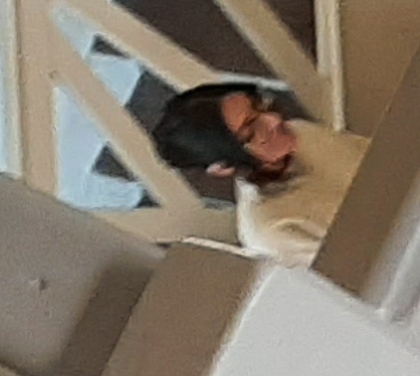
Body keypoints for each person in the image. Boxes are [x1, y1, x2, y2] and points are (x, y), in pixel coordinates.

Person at [148, 80, 363, 267]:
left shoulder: (300, 132)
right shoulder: (270, 232)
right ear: (223, 168)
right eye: (252, 130)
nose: (274, 120)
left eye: (261, 106)